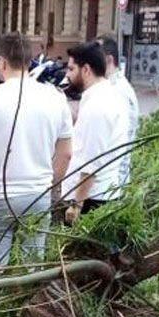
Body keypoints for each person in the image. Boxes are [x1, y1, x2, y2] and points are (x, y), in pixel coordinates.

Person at [0, 34, 73, 270]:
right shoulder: (56, 99)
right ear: (29, 61)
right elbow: (65, 154)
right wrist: (48, 187)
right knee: (30, 270)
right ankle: (26, 305)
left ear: (2, 63)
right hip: (36, 196)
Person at [64, 42, 129, 222]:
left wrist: (76, 205)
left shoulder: (98, 105)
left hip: (92, 200)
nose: (67, 75)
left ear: (86, 70)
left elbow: (91, 162)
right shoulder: (106, 96)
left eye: (71, 69)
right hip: (97, 196)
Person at [96, 36, 138, 159]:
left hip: (111, 170)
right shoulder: (115, 86)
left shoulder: (116, 91)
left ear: (109, 60)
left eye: (94, 59)